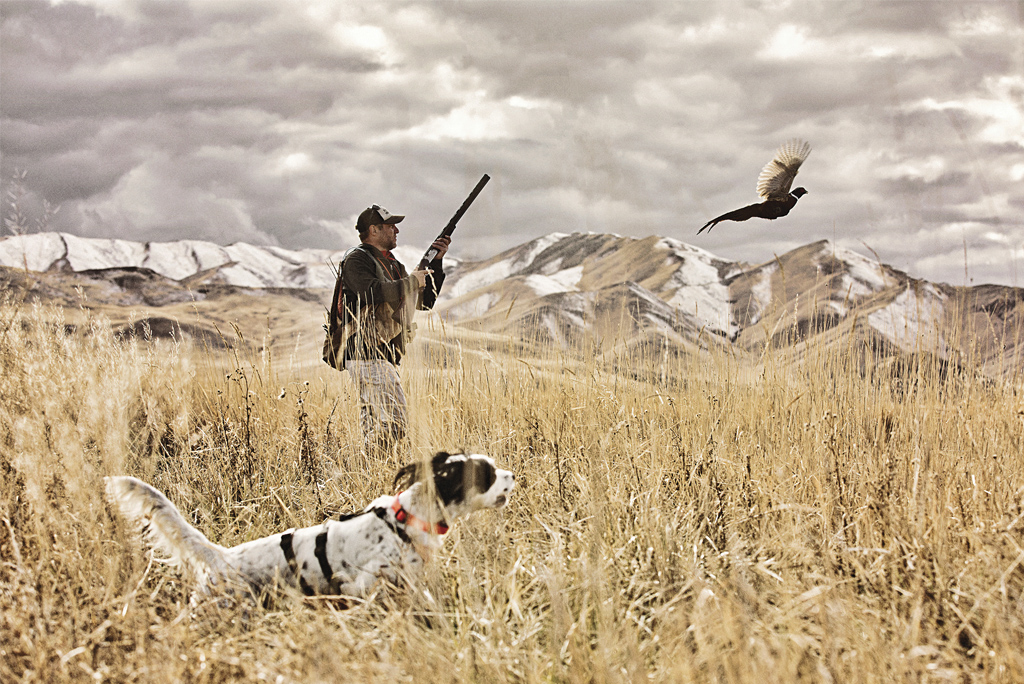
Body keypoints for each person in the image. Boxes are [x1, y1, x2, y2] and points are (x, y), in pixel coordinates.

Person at [331, 204, 450, 455]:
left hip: (382, 353)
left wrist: (436, 263)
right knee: (395, 423)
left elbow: (424, 302)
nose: (396, 230)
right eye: (390, 226)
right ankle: (376, 467)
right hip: (365, 351)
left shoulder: (392, 264)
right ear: (374, 230)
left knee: (375, 425)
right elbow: (368, 292)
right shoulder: (357, 259)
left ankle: (369, 472)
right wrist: (409, 282)